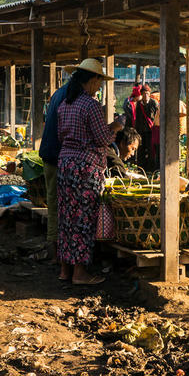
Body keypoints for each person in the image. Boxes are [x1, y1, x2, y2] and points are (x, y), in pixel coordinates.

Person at [56, 58, 122, 285]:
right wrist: (116, 126)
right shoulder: (91, 105)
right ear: (92, 80)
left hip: (65, 166)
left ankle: (65, 270)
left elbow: (60, 137)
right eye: (99, 81)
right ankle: (80, 274)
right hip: (85, 170)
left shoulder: (65, 104)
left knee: (66, 219)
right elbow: (103, 138)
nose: (100, 86)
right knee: (83, 219)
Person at [38, 77, 69, 257]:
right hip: (59, 155)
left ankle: (53, 245)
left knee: (53, 202)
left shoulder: (59, 93)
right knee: (62, 204)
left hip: (49, 152)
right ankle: (60, 249)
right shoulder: (72, 96)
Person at [133, 84, 158, 171]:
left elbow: (156, 116)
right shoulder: (139, 104)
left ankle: (151, 168)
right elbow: (137, 118)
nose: (146, 95)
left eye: (147, 93)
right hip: (141, 131)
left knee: (151, 150)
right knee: (141, 150)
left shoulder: (154, 103)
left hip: (151, 131)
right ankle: (141, 168)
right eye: (144, 93)